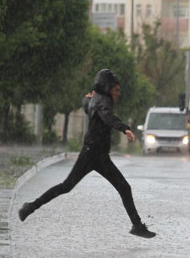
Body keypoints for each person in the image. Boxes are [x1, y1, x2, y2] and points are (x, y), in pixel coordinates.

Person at [18, 69, 157, 238]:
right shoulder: (104, 101)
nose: (118, 94)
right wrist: (124, 128)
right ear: (107, 88)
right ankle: (30, 207)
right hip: (93, 154)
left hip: (96, 154)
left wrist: (87, 98)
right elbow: (107, 116)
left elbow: (87, 105)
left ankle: (137, 226)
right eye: (116, 90)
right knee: (72, 186)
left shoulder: (95, 100)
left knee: (119, 187)